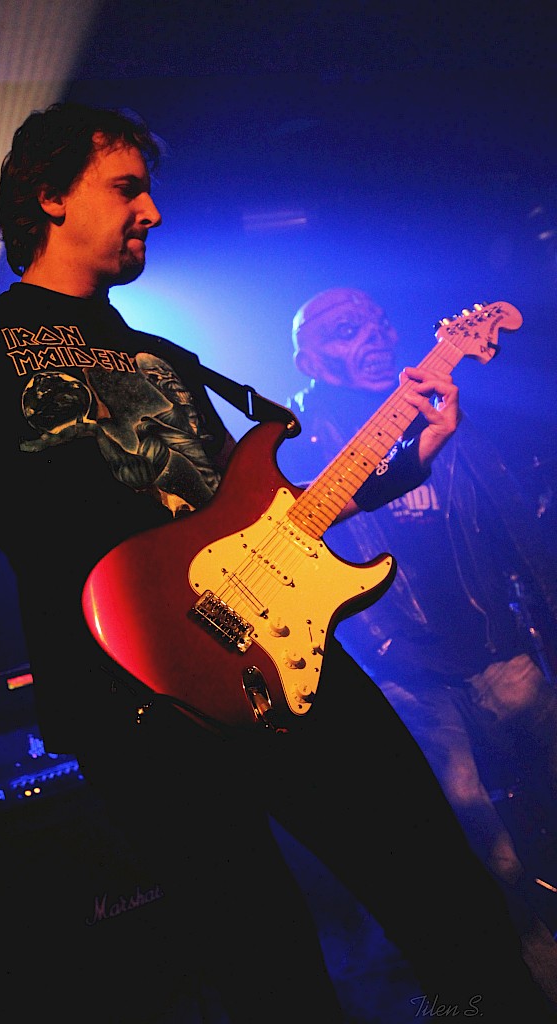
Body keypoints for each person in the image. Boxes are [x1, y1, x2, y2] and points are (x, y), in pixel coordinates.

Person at [0, 103, 557, 1023]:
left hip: (289, 669)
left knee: (448, 900)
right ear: (49, 196)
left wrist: (415, 455)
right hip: (131, 701)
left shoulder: (169, 357)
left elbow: (270, 514)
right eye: (126, 189)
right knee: (266, 965)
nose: (150, 211)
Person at [281, 285, 557, 1003]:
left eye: (377, 321)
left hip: (494, 646)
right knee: (486, 850)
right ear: (310, 359)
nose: (373, 335)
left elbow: (514, 526)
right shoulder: (297, 443)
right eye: (347, 329)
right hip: (404, 675)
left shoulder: (446, 411)